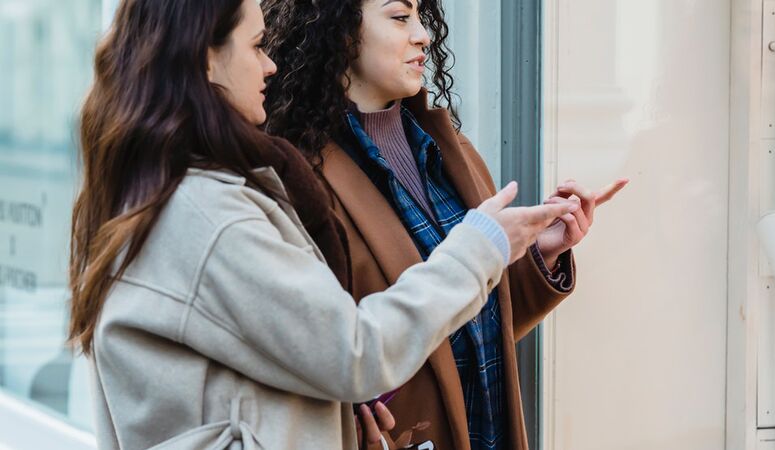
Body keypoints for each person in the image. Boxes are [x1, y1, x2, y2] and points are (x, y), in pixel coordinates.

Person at [67, 0, 576, 448]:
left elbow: (451, 327)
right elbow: (354, 352)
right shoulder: (219, 208)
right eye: (256, 45)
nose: (269, 64)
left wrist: (530, 258)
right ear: (206, 57)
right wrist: (481, 247)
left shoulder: (445, 151)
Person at [263, 0, 628, 448]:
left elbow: (467, 329)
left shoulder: (452, 150)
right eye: (400, 17)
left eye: (421, 16)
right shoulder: (298, 178)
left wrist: (539, 252)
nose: (423, 35)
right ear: (337, 29)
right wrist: (336, 417)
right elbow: (313, 355)